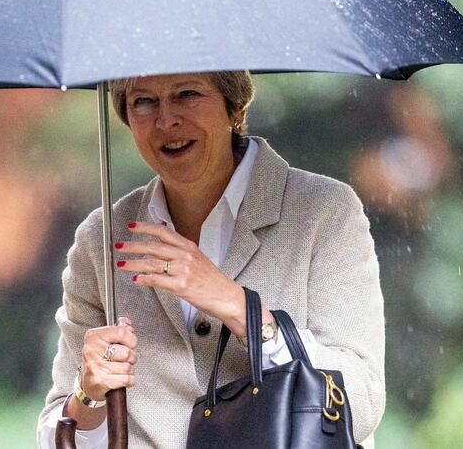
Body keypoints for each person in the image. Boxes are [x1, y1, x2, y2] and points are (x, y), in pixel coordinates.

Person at [37, 71, 385, 448]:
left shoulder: (324, 211)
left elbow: (360, 402)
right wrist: (90, 393)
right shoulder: (101, 241)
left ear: (234, 106)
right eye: (143, 101)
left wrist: (238, 307)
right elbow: (54, 435)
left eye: (187, 94)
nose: (166, 119)